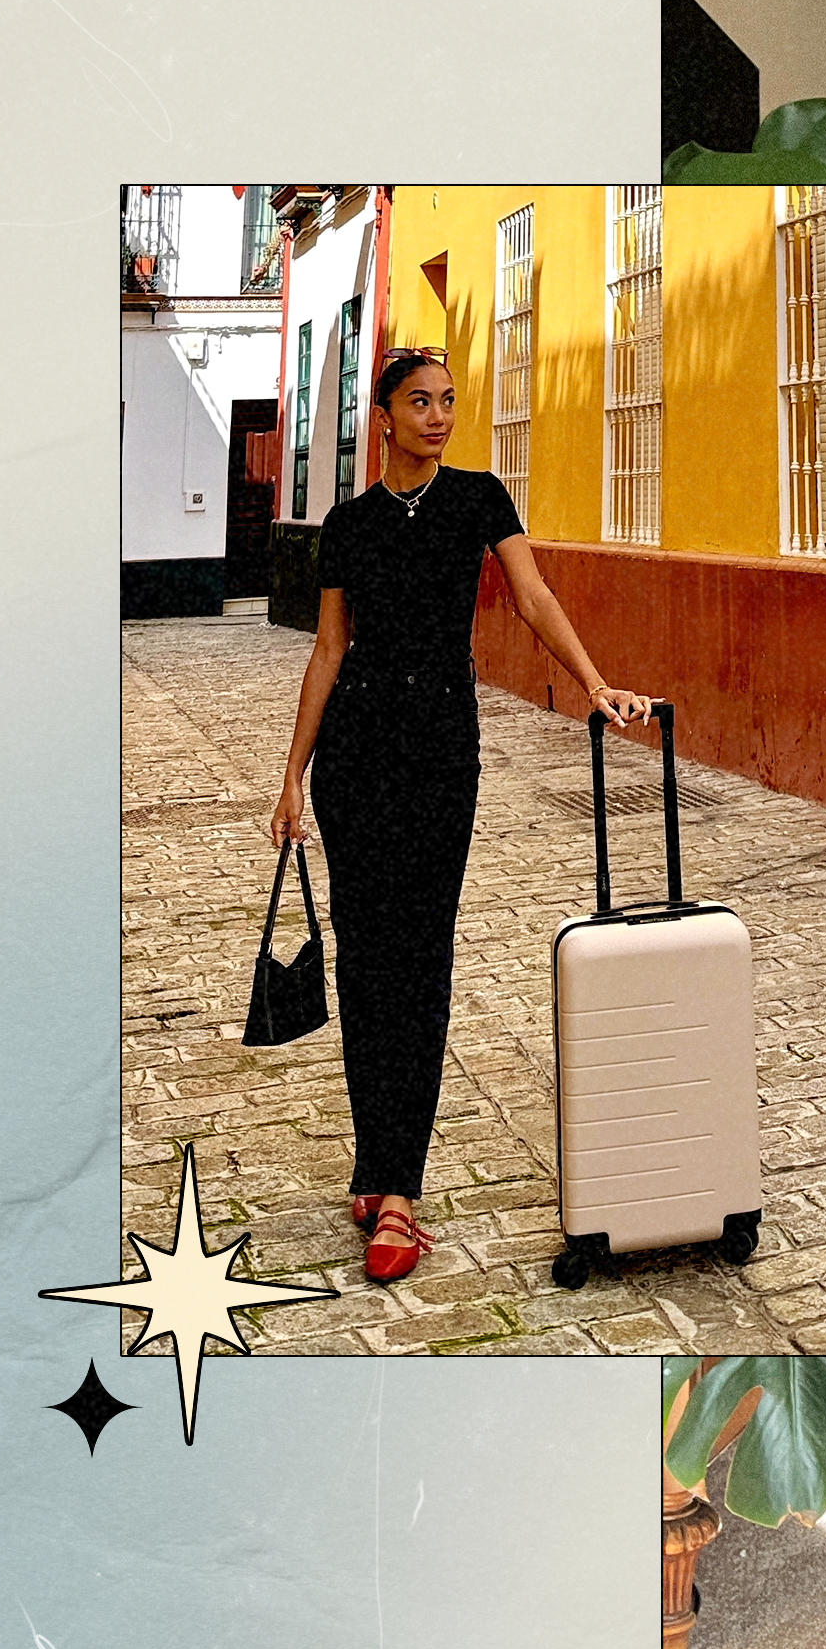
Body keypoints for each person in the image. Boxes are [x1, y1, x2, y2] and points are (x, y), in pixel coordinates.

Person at [267, 350, 651, 1284]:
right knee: (365, 960)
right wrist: (290, 780)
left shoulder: (480, 499)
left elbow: (534, 598)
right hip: (355, 757)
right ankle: (378, 1165)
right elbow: (327, 652)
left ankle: (400, 1187)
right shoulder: (347, 525)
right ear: (385, 416)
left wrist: (596, 685)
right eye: (419, 403)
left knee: (422, 956)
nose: (439, 416)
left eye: (447, 402)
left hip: (441, 753)